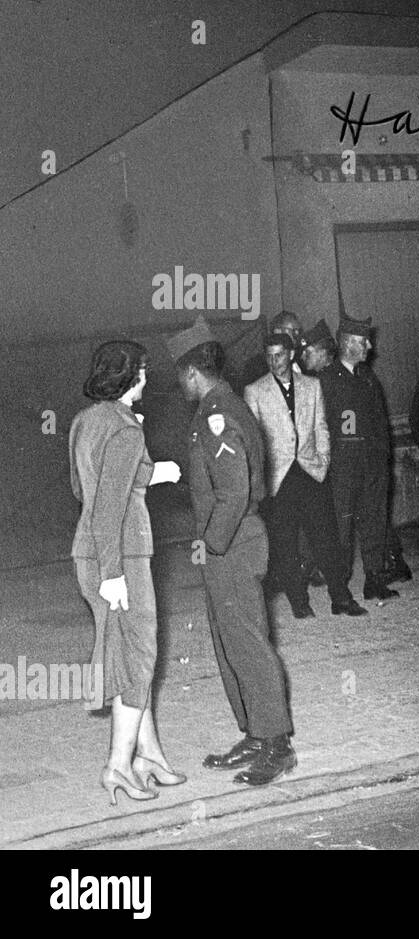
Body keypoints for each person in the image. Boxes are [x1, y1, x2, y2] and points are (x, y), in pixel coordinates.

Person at [167, 317, 296, 786]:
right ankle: (256, 732)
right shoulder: (218, 407)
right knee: (230, 645)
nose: (179, 383)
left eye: (179, 374)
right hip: (227, 544)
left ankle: (277, 744)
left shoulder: (218, 414)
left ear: (191, 372)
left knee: (247, 643)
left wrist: (211, 542)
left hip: (235, 544)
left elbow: (235, 490)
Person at [70, 341, 185, 804]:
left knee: (128, 654)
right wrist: (114, 571)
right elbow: (108, 504)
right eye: (143, 371)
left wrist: (150, 474)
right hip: (121, 557)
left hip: (89, 552)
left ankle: (150, 754)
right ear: (131, 376)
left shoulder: (85, 421)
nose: (147, 379)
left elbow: (85, 486)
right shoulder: (126, 429)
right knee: (140, 657)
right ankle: (119, 766)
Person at [244, 332, 367, 620]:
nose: (274, 361)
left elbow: (321, 426)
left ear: (290, 355)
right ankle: (299, 601)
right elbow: (253, 440)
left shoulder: (312, 385)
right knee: (285, 543)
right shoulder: (255, 390)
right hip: (279, 478)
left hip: (311, 472)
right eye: (269, 356)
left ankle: (341, 597)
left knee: (327, 538)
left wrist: (323, 462)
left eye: (279, 354)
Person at [317, 316, 401, 600]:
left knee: (374, 521)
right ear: (347, 343)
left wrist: (384, 459)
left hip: (373, 464)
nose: (369, 345)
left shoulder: (367, 377)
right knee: (341, 526)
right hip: (342, 467)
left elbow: (379, 420)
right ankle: (339, 587)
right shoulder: (326, 379)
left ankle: (374, 579)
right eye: (363, 341)